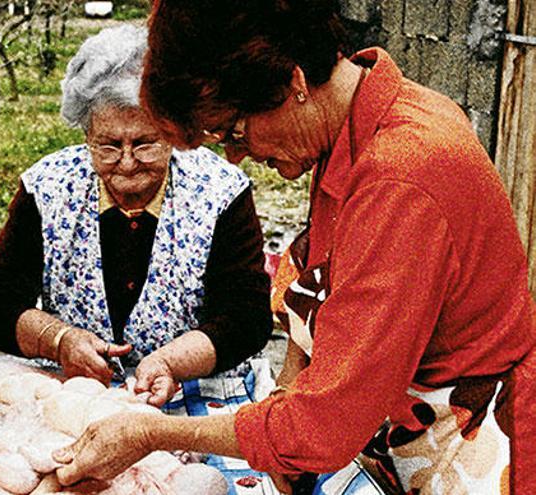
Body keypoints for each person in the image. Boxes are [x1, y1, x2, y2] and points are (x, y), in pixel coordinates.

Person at [52, 1, 536, 494]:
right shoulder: (347, 130)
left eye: (234, 131)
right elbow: (319, 292)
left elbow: (327, 423)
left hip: (468, 442)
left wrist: (152, 434)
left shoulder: (401, 176)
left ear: (294, 84)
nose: (239, 154)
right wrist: (285, 401)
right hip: (400, 430)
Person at [0, 25, 272, 407]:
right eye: (109, 145)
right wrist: (60, 340)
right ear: (86, 134)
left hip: (190, 393)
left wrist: (170, 362)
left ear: (173, 132)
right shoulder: (48, 186)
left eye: (144, 143)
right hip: (75, 393)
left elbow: (246, 318)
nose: (127, 163)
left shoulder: (220, 191)